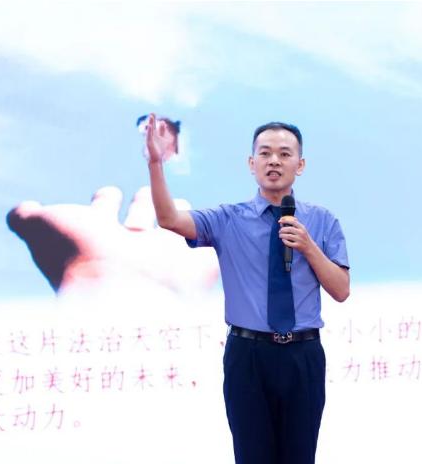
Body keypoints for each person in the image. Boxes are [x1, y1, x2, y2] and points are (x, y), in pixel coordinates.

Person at [145, 113, 350, 464]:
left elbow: (341, 290)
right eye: (265, 153)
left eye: (284, 154)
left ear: (300, 165)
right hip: (248, 355)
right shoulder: (227, 219)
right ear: (251, 163)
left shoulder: (322, 221)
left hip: (303, 354)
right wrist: (155, 164)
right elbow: (168, 219)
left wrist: (308, 246)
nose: (274, 161)